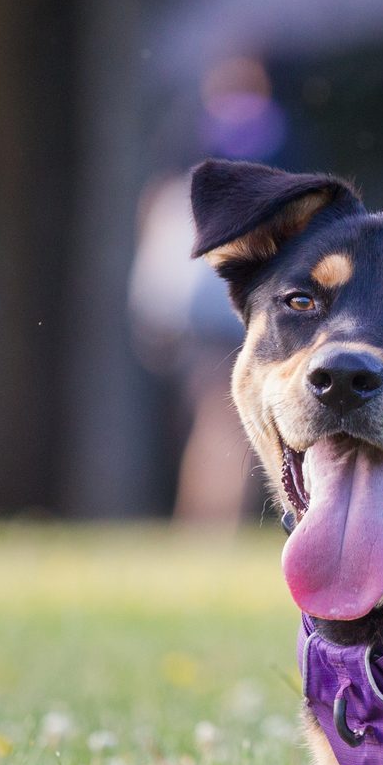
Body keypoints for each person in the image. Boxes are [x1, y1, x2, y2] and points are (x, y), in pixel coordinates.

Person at [128, 169, 256, 525]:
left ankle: (204, 525)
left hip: (203, 330)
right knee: (223, 434)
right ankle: (209, 526)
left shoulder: (173, 198)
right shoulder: (193, 203)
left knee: (216, 431)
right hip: (219, 331)